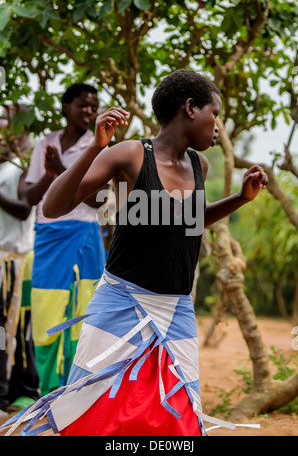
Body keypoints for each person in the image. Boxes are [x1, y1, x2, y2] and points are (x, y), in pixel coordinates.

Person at [2, 69, 267, 436]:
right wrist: (96, 147)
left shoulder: (199, 165)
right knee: (91, 411)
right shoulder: (130, 154)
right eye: (215, 112)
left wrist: (240, 198)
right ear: (190, 108)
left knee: (179, 418)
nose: (218, 125)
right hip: (121, 301)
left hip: (176, 309)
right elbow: (53, 206)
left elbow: (188, 221)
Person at [24, 83, 106, 397]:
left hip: (84, 236)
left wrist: (61, 170)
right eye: (83, 105)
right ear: (65, 107)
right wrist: (50, 174)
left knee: (82, 313)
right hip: (47, 237)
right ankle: (47, 391)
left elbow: (101, 200)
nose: (89, 111)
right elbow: (30, 197)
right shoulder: (45, 144)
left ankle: (79, 392)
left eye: (94, 106)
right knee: (45, 310)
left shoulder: (99, 147)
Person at [0, 115, 39, 417]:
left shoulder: (24, 164)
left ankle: (10, 394)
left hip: (12, 262)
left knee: (8, 330)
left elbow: (25, 209)